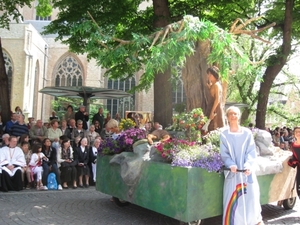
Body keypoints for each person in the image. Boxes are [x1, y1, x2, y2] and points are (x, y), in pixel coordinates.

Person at [220, 106, 263, 225]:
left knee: (251, 198)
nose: (233, 116)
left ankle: (252, 222)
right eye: (231, 114)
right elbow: (224, 154)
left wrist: (248, 165)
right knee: (232, 199)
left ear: (239, 116)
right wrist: (231, 164)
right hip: (233, 173)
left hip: (246, 172)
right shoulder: (224, 135)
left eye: (235, 114)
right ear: (227, 117)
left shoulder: (247, 133)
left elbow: (251, 151)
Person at [207, 66, 225, 132]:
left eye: (210, 74)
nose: (208, 76)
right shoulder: (214, 85)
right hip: (212, 109)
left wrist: (212, 112)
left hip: (215, 110)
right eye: (208, 74)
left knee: (215, 129)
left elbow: (217, 99)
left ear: (215, 74)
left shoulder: (216, 85)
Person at [288, 126, 300, 197]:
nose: (298, 133)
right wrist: (293, 161)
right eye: (296, 132)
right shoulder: (293, 145)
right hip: (299, 169)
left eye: (299, 132)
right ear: (294, 134)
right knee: (298, 189)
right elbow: (295, 156)